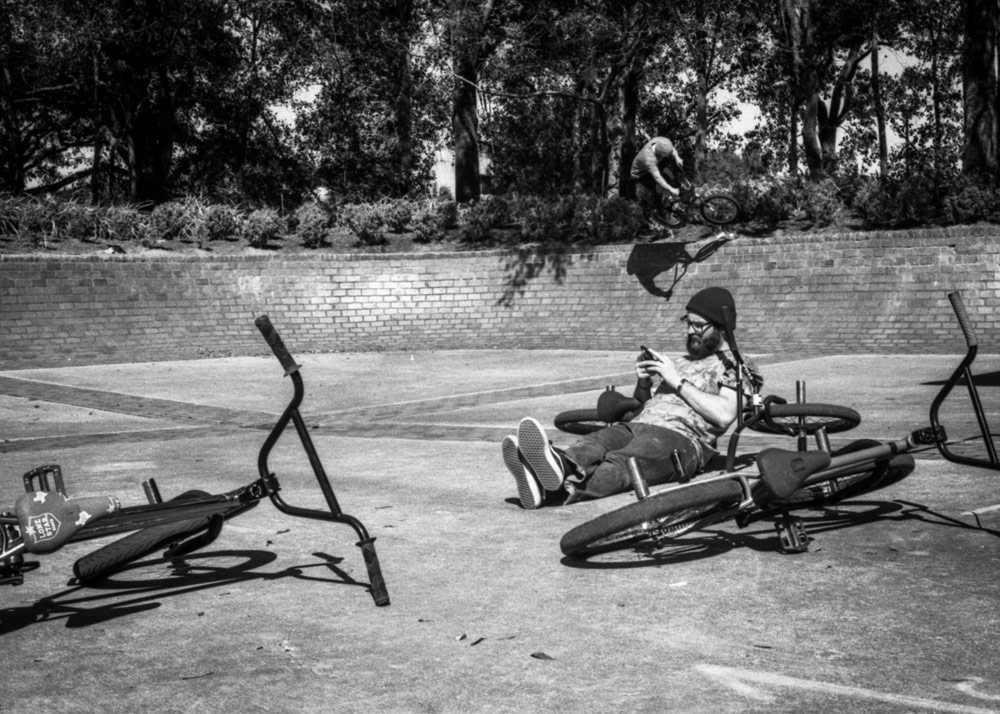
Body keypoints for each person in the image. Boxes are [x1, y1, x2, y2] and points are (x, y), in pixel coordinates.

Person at [501, 287, 762, 508]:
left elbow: (725, 414)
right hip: (639, 425)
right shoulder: (680, 362)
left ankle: (555, 489)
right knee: (594, 444)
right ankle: (556, 466)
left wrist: (676, 381)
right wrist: (644, 381)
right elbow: (642, 407)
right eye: (688, 323)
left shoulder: (739, 366)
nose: (691, 331)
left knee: (623, 461)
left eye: (698, 325)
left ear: (721, 326)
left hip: (682, 440)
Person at [628, 136, 687, 219]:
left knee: (669, 172)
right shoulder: (648, 158)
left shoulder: (661, 141)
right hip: (641, 174)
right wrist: (671, 189)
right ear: (661, 153)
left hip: (655, 164)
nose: (667, 156)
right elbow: (658, 178)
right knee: (658, 189)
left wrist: (677, 158)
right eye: (665, 155)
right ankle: (659, 211)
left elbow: (672, 149)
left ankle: (679, 188)